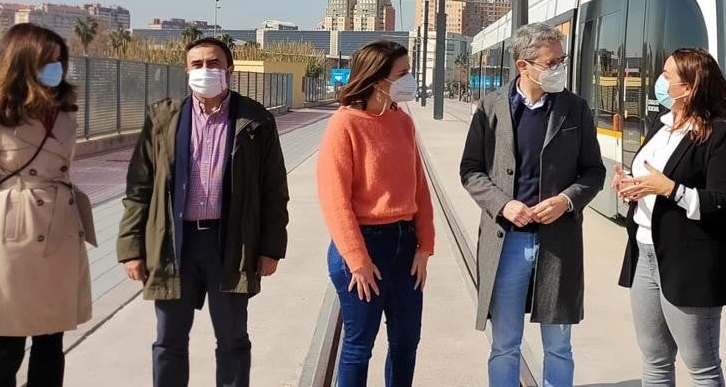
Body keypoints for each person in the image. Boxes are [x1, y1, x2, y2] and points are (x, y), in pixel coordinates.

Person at [117, 37, 290, 387]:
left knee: (232, 340)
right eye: (197, 65)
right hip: (174, 245)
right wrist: (131, 249)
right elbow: (139, 188)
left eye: (213, 64)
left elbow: (274, 192)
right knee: (169, 341)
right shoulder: (163, 118)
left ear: (230, 69)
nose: (205, 71)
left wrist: (271, 249)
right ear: (186, 70)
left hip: (230, 245)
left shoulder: (254, 120)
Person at [459, 23, 606, 387]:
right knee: (505, 343)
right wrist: (503, 205)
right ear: (524, 66)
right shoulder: (491, 107)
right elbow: (471, 170)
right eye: (551, 62)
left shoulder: (576, 108)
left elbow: (593, 171)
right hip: (508, 241)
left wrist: (567, 200)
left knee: (558, 345)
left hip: (558, 243)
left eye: (562, 60)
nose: (559, 68)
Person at [0, 23, 94, 387]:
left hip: (61, 227)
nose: (56, 67)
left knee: (52, 337)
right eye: (46, 60)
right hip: (13, 228)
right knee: (9, 338)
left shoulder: (65, 112)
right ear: (21, 62)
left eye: (59, 60)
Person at [615, 48, 726, 387]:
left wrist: (671, 189)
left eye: (668, 76)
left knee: (700, 363)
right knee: (654, 356)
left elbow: (723, 201)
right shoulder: (662, 125)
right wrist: (631, 184)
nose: (661, 81)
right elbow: (653, 178)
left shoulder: (722, 134)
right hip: (645, 251)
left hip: (691, 260)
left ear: (688, 87)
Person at [316, 40, 435, 387]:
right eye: (403, 73)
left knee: (406, 343)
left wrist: (425, 246)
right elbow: (334, 198)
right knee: (358, 347)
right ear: (378, 79)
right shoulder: (345, 124)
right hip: (364, 248)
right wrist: (357, 260)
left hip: (405, 245)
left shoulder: (403, 122)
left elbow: (420, 188)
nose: (410, 80)